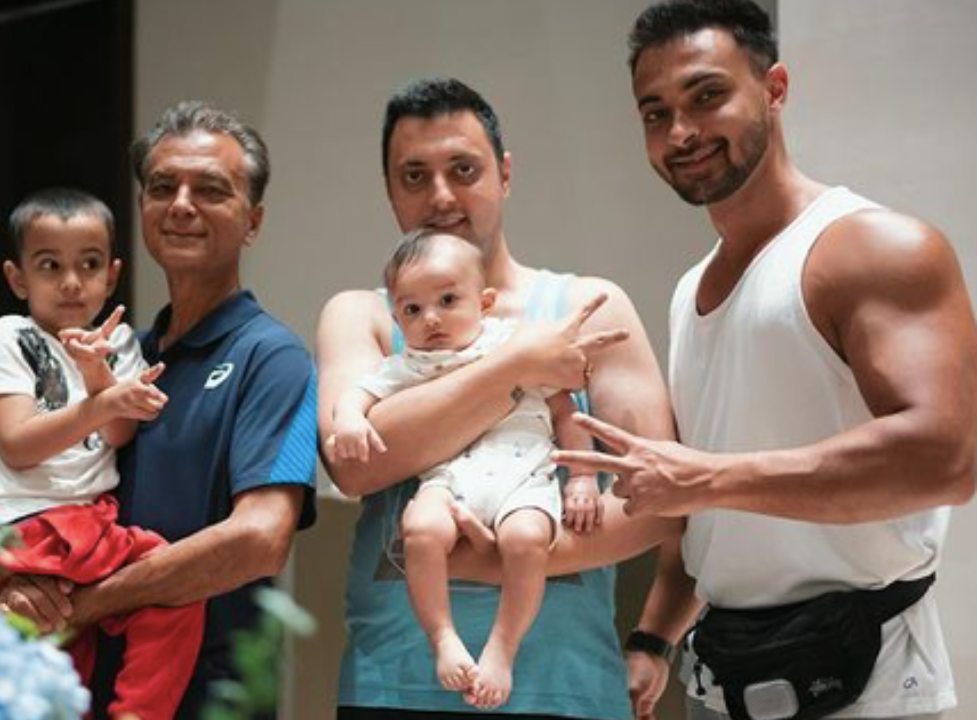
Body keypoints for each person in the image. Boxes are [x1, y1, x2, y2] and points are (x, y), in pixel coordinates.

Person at [553, 2, 977, 719]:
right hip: (720, 682)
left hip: (872, 690)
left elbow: (947, 458)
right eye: (655, 113)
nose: (681, 132)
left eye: (707, 95)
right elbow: (708, 518)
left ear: (774, 88)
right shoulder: (691, 291)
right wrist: (653, 640)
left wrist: (709, 477)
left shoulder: (873, 247)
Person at [317, 77, 679, 720]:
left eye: (464, 169)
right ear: (390, 190)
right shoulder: (364, 316)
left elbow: (656, 502)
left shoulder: (585, 306)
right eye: (413, 175)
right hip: (394, 683)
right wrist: (517, 364)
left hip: (564, 684)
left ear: (504, 173)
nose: (442, 196)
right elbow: (356, 463)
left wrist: (512, 555)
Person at [0, 102, 318, 720]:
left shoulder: (276, 358)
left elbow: (260, 540)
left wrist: (85, 603)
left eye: (211, 190)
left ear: (253, 220)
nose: (181, 205)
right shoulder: (115, 356)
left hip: (211, 695)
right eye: (162, 187)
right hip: (82, 687)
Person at [332, 230, 604, 709]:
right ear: (397, 317)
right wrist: (351, 419)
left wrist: (581, 478)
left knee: (526, 540)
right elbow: (357, 394)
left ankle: (503, 646)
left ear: (485, 302)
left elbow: (566, 409)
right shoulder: (409, 364)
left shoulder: (514, 344)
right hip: (450, 479)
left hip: (524, 475)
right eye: (412, 310)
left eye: (447, 300)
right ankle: (443, 638)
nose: (431, 318)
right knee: (418, 528)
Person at [0, 188, 202, 720]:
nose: (71, 281)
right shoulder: (13, 338)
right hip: (20, 527)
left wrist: (98, 376)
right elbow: (19, 445)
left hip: (85, 527)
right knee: (170, 577)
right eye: (50, 266)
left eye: (88, 265)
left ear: (111, 275)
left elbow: (118, 434)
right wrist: (101, 403)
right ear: (17, 277)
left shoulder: (118, 345)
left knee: (76, 670)